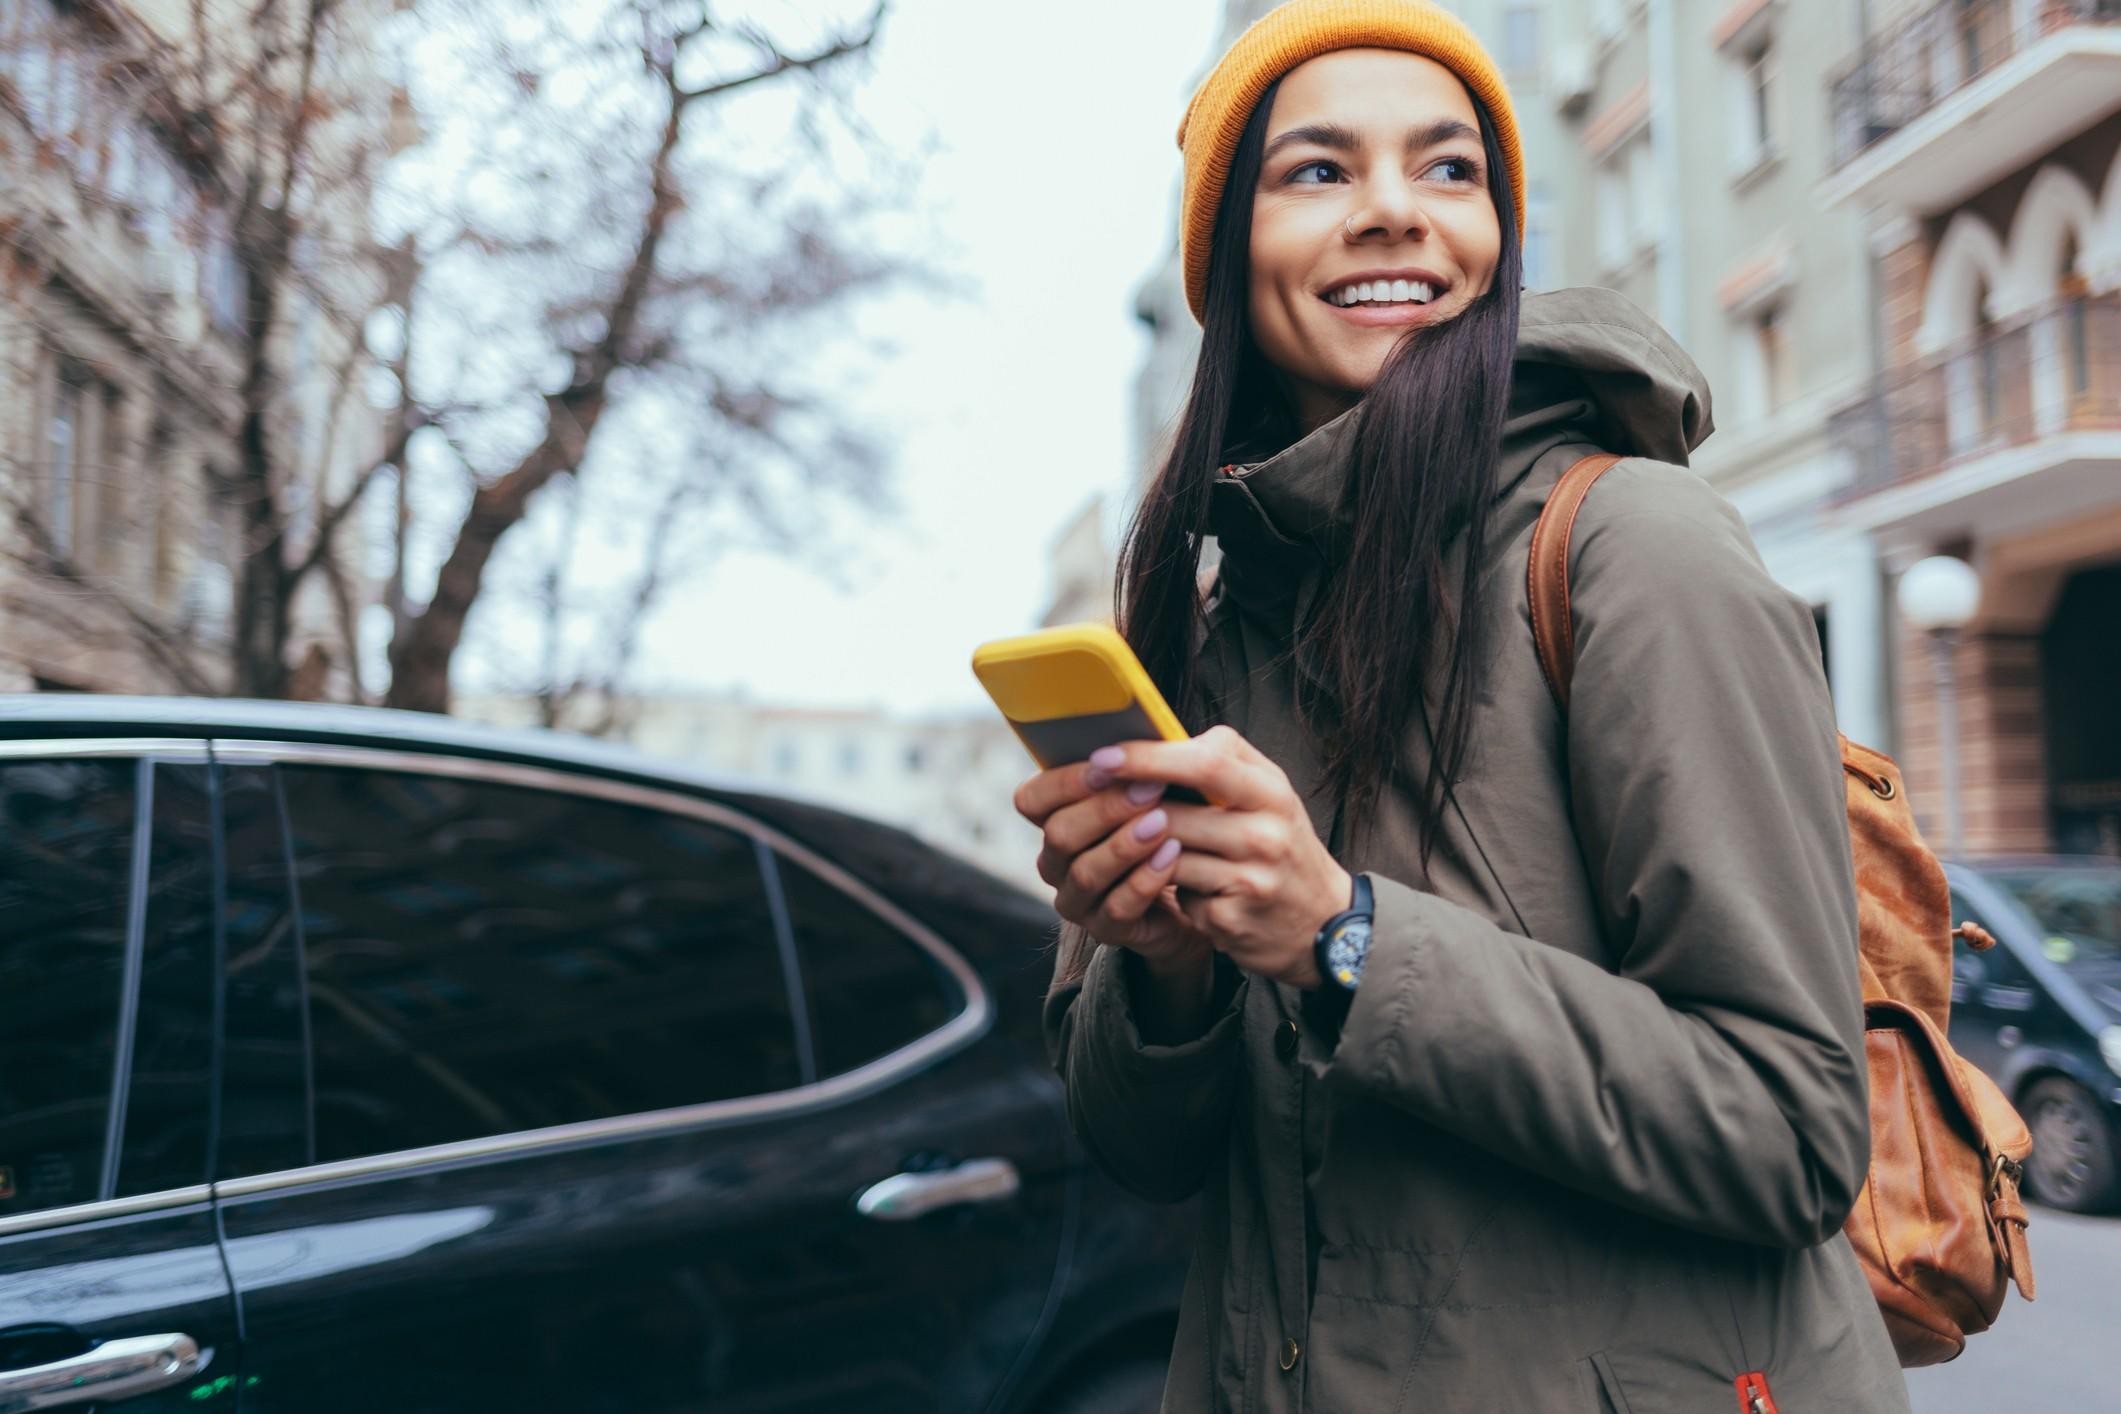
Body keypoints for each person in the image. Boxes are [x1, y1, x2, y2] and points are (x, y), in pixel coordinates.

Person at [1016, 2, 1912, 1410]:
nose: (1397, 216)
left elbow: (1790, 1133)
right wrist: (1166, 968)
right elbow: (1151, 1156)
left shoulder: (1635, 547)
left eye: (1449, 171)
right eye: (1317, 172)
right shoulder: (1204, 629)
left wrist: (1343, 937)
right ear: (1221, 254)